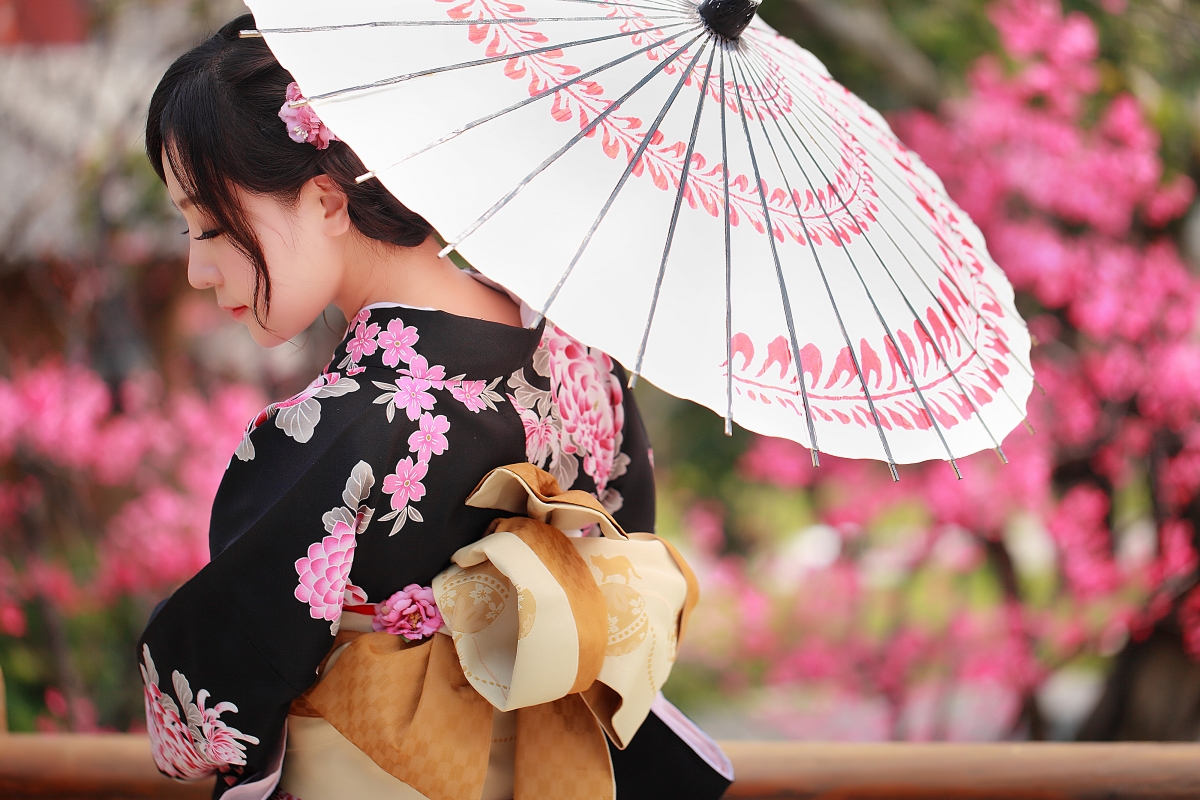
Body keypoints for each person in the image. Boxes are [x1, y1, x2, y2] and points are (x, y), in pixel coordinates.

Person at [137, 14, 732, 800]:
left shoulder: (338, 425)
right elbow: (628, 539)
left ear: (324, 200)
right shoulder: (581, 356)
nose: (196, 269)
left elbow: (214, 696)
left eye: (211, 224)